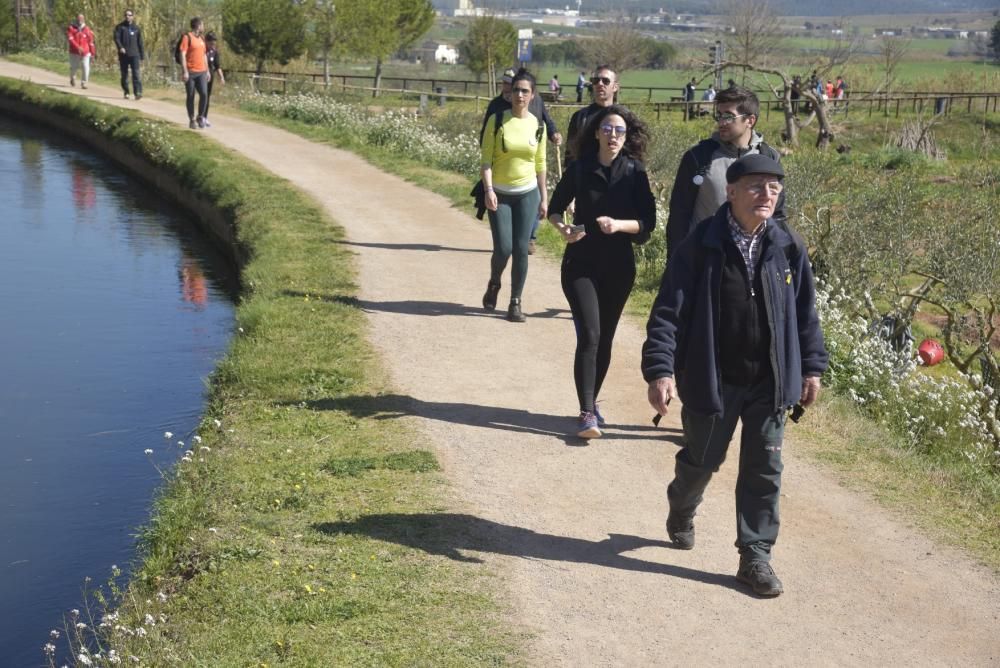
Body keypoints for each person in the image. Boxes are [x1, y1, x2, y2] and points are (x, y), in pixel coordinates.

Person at [642, 154, 828, 597]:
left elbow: (806, 313)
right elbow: (669, 311)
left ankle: (756, 556)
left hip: (770, 379)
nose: (767, 194)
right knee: (702, 460)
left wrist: (812, 366)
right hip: (713, 376)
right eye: (757, 186)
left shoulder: (787, 245)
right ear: (731, 191)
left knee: (765, 469)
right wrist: (660, 369)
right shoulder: (701, 244)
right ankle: (682, 505)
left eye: (775, 187)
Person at [548, 105, 655, 438]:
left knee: (605, 339)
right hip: (580, 263)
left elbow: (647, 224)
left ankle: (591, 404)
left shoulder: (635, 173)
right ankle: (586, 413)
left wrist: (618, 225)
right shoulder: (580, 169)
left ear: (626, 137)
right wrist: (563, 229)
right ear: (596, 133)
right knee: (590, 336)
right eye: (607, 129)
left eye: (619, 131)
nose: (613, 136)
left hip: (619, 267)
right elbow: (554, 210)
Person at [665, 85, 786, 260]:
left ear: (750, 121)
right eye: (719, 115)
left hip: (753, 261)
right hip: (704, 259)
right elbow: (679, 213)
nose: (721, 122)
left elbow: (778, 215)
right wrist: (675, 263)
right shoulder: (699, 157)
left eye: (728, 116)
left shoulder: (769, 157)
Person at [479, 69, 548, 323]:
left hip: (527, 193)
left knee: (521, 248)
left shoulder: (537, 124)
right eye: (516, 89)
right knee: (504, 248)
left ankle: (515, 301)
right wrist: (488, 190)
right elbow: (486, 160)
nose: (519, 95)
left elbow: (541, 163)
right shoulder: (497, 120)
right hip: (499, 193)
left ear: (533, 95)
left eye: (524, 91)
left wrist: (544, 197)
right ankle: (495, 282)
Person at [479, 68, 561, 255]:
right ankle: (508, 242)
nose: (514, 91)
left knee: (533, 200)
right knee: (506, 239)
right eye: (507, 83)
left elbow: (546, 119)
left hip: (530, 163)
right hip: (502, 169)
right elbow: (486, 131)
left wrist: (554, 133)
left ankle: (529, 239)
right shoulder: (497, 106)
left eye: (523, 90)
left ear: (531, 93)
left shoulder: (537, 101)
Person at [565, 65, 620, 165]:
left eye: (605, 81)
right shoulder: (580, 117)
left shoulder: (623, 118)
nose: (600, 84)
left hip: (615, 177)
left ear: (615, 87)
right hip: (585, 177)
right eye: (595, 80)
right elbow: (570, 155)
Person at [179, 17, 211, 130]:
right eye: (202, 25)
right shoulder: (187, 37)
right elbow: (182, 54)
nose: (203, 27)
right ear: (198, 26)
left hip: (202, 71)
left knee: (204, 94)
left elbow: (204, 55)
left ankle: (200, 116)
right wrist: (185, 71)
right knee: (191, 96)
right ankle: (192, 119)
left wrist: (207, 71)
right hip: (191, 72)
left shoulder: (202, 39)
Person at [114, 9, 145, 100]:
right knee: (124, 75)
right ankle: (126, 91)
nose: (127, 16)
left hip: (135, 55)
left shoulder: (136, 28)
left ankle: (138, 92)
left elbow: (140, 43)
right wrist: (120, 47)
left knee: (136, 74)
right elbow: (116, 38)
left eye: (129, 15)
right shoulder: (120, 27)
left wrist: (142, 55)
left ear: (132, 16)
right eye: (126, 15)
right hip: (124, 55)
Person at [66, 13, 95, 90]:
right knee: (74, 68)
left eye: (82, 19)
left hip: (85, 52)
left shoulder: (87, 29)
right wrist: (78, 47)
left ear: (84, 20)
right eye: (79, 19)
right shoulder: (71, 28)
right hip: (74, 52)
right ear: (76, 19)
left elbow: (91, 42)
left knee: (86, 67)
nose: (80, 20)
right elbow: (70, 39)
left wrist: (92, 54)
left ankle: (84, 83)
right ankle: (72, 78)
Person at [203, 32, 226, 127]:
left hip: (210, 76)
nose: (213, 45)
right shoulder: (202, 50)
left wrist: (221, 77)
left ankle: (204, 117)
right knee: (203, 95)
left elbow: (217, 66)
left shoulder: (215, 52)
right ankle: (199, 116)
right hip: (201, 75)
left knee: (207, 96)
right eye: (211, 43)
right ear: (207, 42)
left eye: (214, 43)